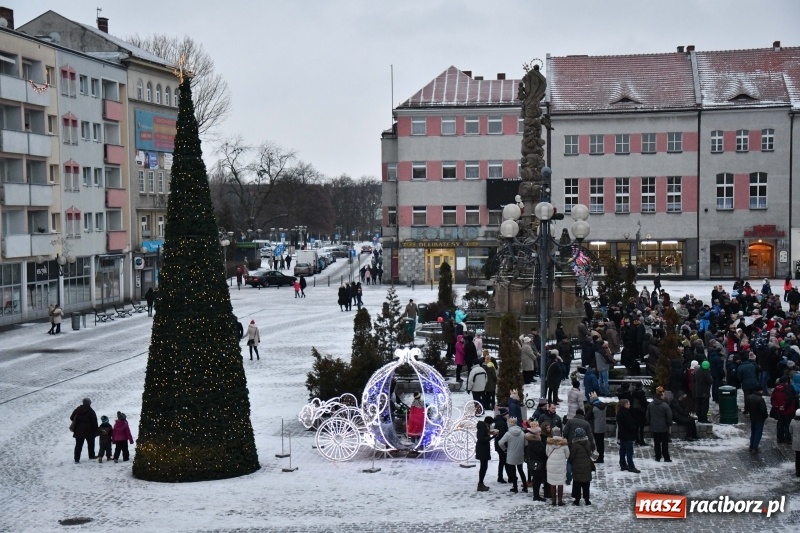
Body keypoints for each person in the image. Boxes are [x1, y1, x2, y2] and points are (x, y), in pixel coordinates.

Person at [498, 416, 527, 493]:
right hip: (520, 454)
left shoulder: (508, 434)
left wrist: (505, 449)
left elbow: (500, 443)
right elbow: (526, 443)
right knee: (521, 470)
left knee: (513, 471)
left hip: (511, 454)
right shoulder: (522, 432)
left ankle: (515, 487)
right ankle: (525, 486)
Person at [569, 427, 594, 506]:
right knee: (586, 484)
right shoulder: (587, 442)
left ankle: (577, 500)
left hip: (577, 466)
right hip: (586, 465)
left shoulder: (575, 444)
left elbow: (572, 456)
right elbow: (590, 452)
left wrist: (570, 462)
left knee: (577, 484)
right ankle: (587, 500)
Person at [545, 426, 569, 506]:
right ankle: (560, 501)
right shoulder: (564, 443)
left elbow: (547, 453)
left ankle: (553, 501)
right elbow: (567, 455)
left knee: (552, 483)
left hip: (551, 465)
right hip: (561, 465)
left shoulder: (549, 443)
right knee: (560, 483)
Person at [646, 391, 673, 462]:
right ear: (660, 397)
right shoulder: (665, 405)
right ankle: (666, 457)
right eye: (663, 395)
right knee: (665, 443)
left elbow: (647, 415)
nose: (664, 396)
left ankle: (657, 457)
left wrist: (649, 423)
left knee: (656, 443)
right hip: (664, 427)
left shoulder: (650, 405)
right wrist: (669, 424)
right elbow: (669, 416)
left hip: (654, 427)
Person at [70, 398, 98, 463]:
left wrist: (77, 423)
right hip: (89, 430)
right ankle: (91, 455)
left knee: (78, 445)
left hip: (78, 430)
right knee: (91, 444)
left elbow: (71, 417)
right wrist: (96, 430)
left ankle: (76, 459)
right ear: (89, 403)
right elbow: (94, 421)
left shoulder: (78, 409)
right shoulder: (90, 411)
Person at [616, 399, 640, 473]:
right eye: (628, 404)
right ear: (624, 405)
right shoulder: (625, 413)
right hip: (627, 434)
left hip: (622, 434)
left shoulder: (619, 412)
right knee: (629, 451)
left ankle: (623, 464)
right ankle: (631, 466)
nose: (629, 405)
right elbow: (629, 425)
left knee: (622, 450)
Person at [525, 423, 547, 502]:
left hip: (534, 463)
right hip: (537, 464)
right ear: (535, 434)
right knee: (537, 480)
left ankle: (536, 495)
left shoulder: (532, 441)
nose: (540, 433)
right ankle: (536, 496)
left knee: (536, 480)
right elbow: (541, 453)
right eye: (539, 432)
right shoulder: (535, 443)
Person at [745, 386, 768, 453]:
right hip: (760, 418)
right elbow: (763, 410)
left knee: (753, 432)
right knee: (758, 432)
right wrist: (765, 416)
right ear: (759, 391)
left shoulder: (748, 398)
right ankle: (755, 447)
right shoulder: (760, 399)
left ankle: (751, 446)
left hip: (752, 417)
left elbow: (746, 408)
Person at [587, 392, 607, 463]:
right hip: (603, 427)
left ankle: (599, 458)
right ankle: (602, 456)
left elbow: (588, 417)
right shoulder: (604, 405)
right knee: (601, 443)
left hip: (596, 427)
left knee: (598, 444)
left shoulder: (593, 407)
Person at [475, 416, 493, 491]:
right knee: (483, 467)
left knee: (483, 466)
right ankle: (480, 483)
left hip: (482, 449)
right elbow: (482, 438)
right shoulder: (483, 428)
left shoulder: (483, 426)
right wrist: (492, 437)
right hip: (483, 449)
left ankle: (481, 483)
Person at [494, 407, 510, 483]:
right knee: (503, 461)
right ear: (504, 415)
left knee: (503, 461)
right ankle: (502, 477)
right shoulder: (502, 423)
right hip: (501, 446)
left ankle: (503, 476)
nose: (508, 415)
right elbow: (502, 436)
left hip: (499, 445)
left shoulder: (501, 421)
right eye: (507, 414)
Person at [791, 409, 800, 478]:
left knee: (797, 457)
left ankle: (797, 471)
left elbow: (790, 430)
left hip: (796, 442)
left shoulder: (792, 421)